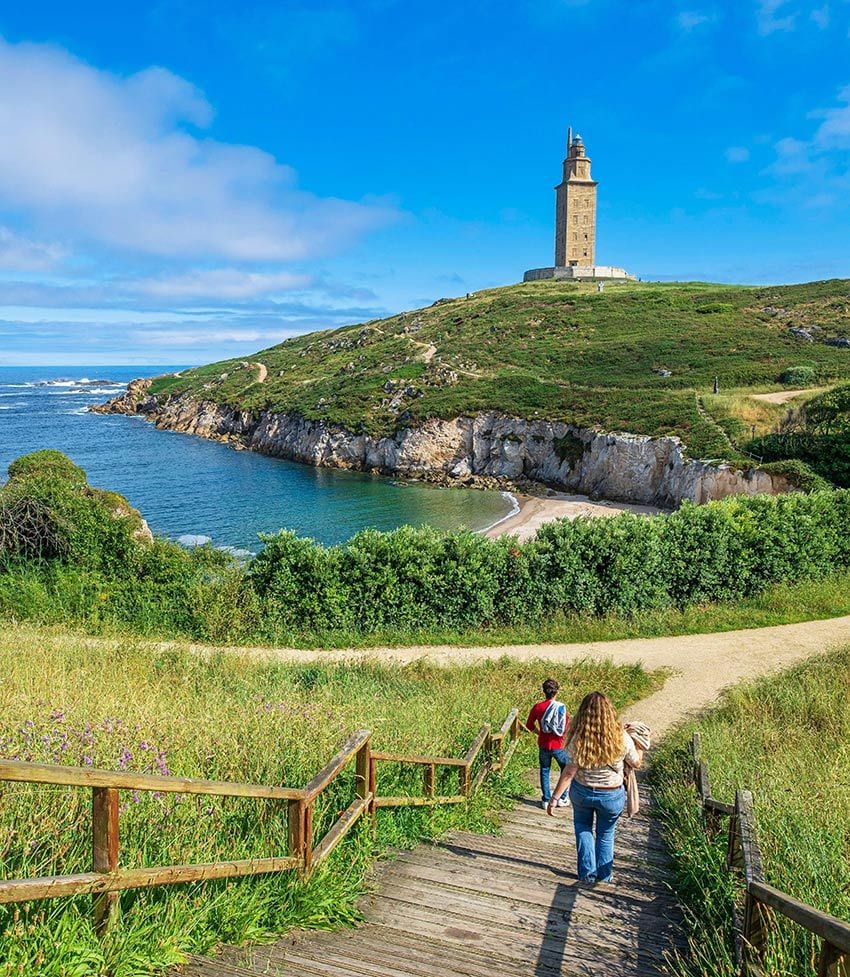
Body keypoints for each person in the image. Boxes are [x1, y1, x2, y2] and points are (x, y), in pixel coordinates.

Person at [546, 691, 644, 885]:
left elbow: (568, 773)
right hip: (611, 794)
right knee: (606, 834)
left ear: (583, 713)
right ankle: (605, 876)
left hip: (582, 790)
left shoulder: (578, 739)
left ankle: (586, 874)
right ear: (610, 712)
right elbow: (636, 763)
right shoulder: (621, 738)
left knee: (583, 828)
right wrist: (639, 745)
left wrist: (554, 798)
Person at [525, 678, 570, 810]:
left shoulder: (538, 707)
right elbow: (565, 728)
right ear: (557, 691)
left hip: (543, 744)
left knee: (545, 770)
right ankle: (562, 798)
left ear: (544, 691)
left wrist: (539, 733)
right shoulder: (561, 708)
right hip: (558, 745)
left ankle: (546, 799)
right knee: (566, 769)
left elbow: (529, 725)